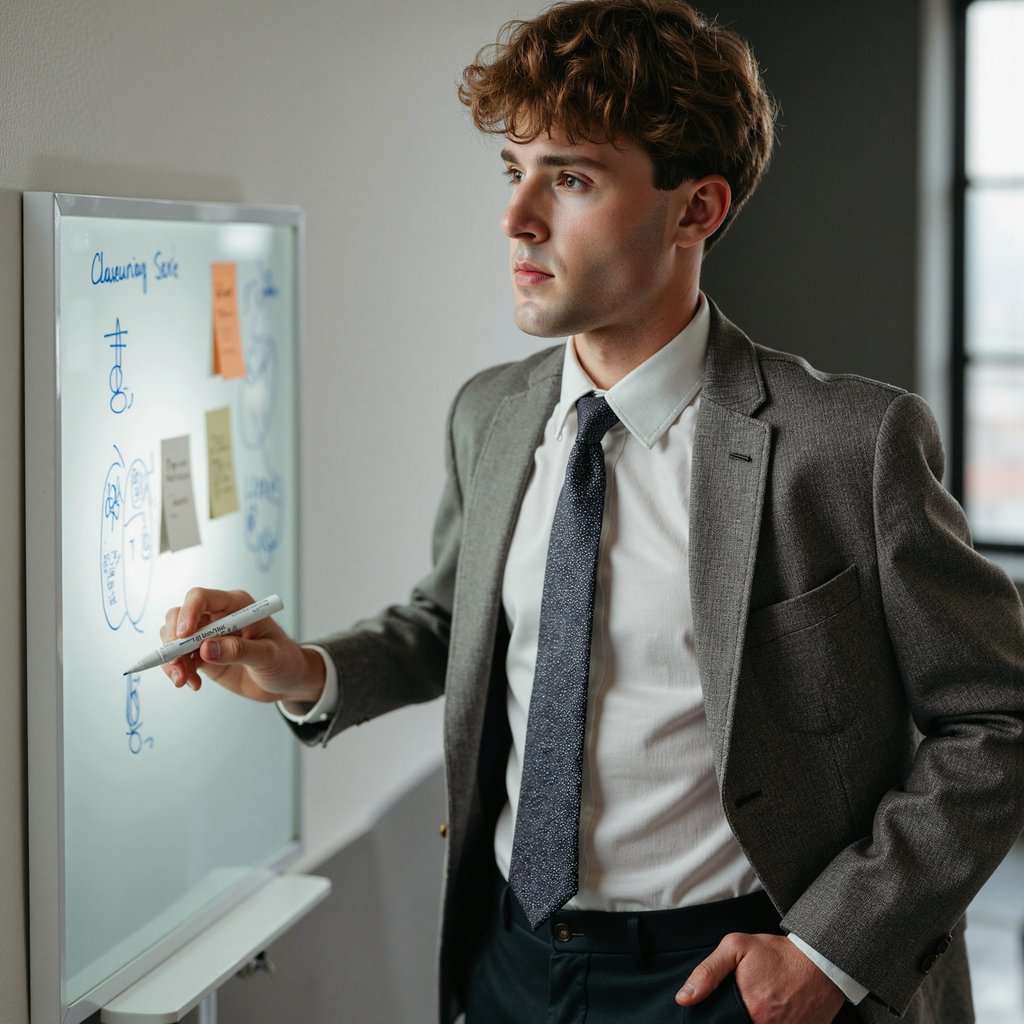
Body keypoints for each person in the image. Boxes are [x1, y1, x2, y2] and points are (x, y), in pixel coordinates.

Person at [161, 2, 1024, 1022]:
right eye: (512, 169)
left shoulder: (846, 444)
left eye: (569, 178)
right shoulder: (489, 413)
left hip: (740, 975)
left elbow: (993, 719)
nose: (517, 216)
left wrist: (827, 951)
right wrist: (302, 668)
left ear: (695, 210)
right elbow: (456, 626)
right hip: (508, 962)